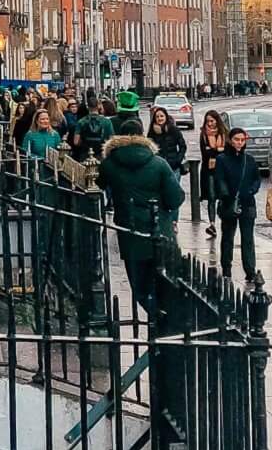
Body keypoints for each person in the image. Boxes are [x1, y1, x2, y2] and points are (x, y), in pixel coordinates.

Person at [97, 116, 184, 312]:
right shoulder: (159, 163)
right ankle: (163, 320)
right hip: (159, 231)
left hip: (130, 230)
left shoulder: (110, 163)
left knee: (140, 287)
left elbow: (97, 186)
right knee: (165, 283)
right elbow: (175, 198)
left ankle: (154, 314)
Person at [212, 127, 263, 283]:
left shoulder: (249, 159)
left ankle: (250, 270)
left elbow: (257, 179)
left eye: (242, 140)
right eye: (236, 140)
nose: (239, 143)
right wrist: (226, 195)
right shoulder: (222, 159)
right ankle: (226, 268)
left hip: (247, 203)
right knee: (228, 237)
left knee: (247, 239)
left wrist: (251, 191)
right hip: (229, 203)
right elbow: (219, 179)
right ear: (230, 140)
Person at [197, 110, 226, 238]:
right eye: (207, 121)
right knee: (211, 197)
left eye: (212, 121)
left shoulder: (224, 133)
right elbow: (205, 153)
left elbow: (227, 151)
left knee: (224, 196)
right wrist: (218, 150)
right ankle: (212, 224)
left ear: (217, 121)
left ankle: (224, 220)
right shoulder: (203, 135)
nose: (210, 124)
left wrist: (213, 150)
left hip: (224, 170)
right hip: (209, 170)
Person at [69, 88, 115, 162]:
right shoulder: (107, 122)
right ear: (99, 106)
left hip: (85, 155)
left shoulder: (81, 122)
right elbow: (112, 140)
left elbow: (76, 142)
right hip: (102, 155)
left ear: (88, 107)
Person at [148, 105, 188, 173]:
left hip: (174, 167)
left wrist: (178, 160)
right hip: (159, 167)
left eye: (162, 116)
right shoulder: (152, 132)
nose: (159, 118)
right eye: (157, 117)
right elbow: (149, 148)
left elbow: (183, 146)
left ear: (166, 117)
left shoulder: (173, 129)